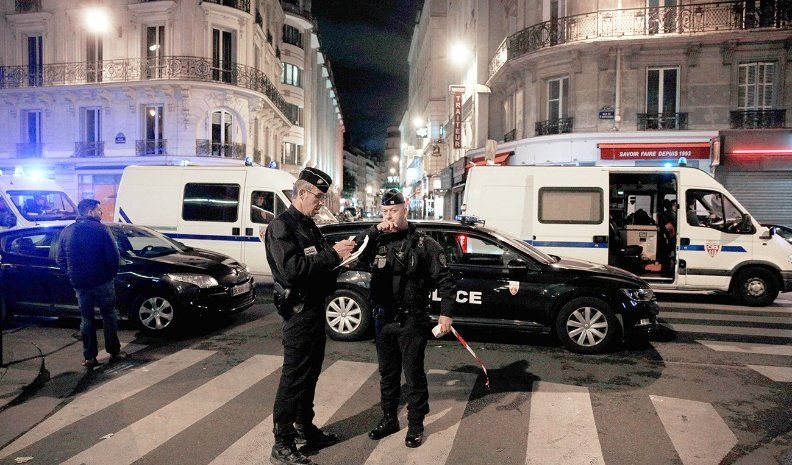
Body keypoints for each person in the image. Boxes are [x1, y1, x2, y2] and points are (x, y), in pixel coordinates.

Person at [265, 167, 355, 465]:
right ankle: (282, 441)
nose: (321, 203)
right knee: (294, 378)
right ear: (302, 193)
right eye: (318, 197)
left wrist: (341, 259)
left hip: (314, 309)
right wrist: (333, 255)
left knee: (310, 373)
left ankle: (305, 428)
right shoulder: (282, 226)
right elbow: (293, 271)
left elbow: (319, 265)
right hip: (298, 313)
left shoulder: (308, 225)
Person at [353, 189, 456, 449]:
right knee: (387, 374)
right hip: (383, 318)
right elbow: (354, 250)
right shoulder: (377, 240)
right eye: (385, 211)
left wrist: (445, 314)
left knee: (413, 374)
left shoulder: (424, 244)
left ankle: (415, 425)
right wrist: (375, 229)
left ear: (405, 209)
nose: (389, 216)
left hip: (412, 319)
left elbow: (445, 280)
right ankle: (389, 419)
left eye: (394, 210)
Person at [56, 199, 127, 368]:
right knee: (109, 316)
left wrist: (72, 274)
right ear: (90, 212)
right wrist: (111, 275)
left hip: (80, 283)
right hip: (102, 281)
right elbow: (114, 256)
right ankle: (114, 352)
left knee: (86, 319)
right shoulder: (102, 230)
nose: (101, 213)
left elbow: (60, 258)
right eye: (99, 210)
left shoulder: (67, 231)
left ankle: (89, 357)